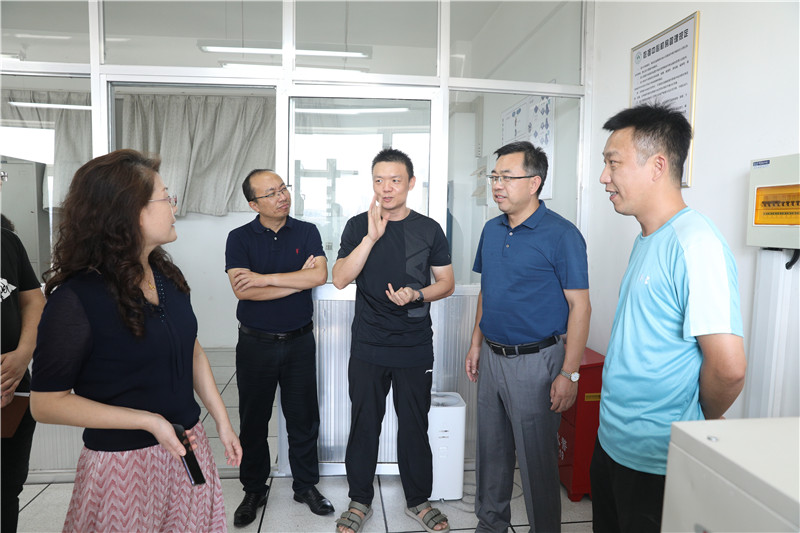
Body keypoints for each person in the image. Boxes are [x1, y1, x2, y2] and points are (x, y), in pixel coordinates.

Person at [30, 149, 242, 532]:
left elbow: (191, 349)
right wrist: (147, 421)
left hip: (186, 446)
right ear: (130, 212)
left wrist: (222, 421)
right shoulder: (77, 298)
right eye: (165, 197)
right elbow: (46, 404)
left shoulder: (166, 276)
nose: (174, 207)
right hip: (122, 466)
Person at [591, 104, 746, 532]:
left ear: (657, 166)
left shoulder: (696, 245)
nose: (604, 177)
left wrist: (699, 416)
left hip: (656, 457)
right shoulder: (648, 238)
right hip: (613, 441)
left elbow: (729, 368)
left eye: (613, 163)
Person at [465, 140, 591, 533]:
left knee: (537, 462)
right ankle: (490, 525)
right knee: (491, 453)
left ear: (534, 183)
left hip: (537, 362)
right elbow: (489, 291)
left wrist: (569, 373)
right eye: (494, 176)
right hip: (493, 357)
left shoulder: (562, 235)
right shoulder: (491, 229)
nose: (497, 185)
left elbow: (581, 307)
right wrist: (475, 343)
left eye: (506, 177)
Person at [332, 148, 454, 533]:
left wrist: (418, 294)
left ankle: (418, 500)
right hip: (368, 344)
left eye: (395, 180)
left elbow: (446, 283)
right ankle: (359, 500)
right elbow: (340, 278)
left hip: (414, 346)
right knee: (364, 424)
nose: (386, 188)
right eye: (379, 180)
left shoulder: (429, 229)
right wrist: (371, 238)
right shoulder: (357, 225)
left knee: (414, 425)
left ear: (411, 183)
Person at [225, 169, 333, 526]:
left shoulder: (307, 231)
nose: (282, 196)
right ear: (254, 204)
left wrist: (264, 279)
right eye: (270, 193)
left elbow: (319, 275)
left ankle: (305, 486)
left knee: (304, 418)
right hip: (255, 343)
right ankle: (254, 489)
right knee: (254, 420)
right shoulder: (239, 238)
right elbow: (242, 290)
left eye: (283, 188)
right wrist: (297, 281)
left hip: (300, 341)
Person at [2, 215, 46, 533]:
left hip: (12, 391)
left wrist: (23, 354)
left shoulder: (7, 242)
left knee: (6, 488)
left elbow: (32, 301)